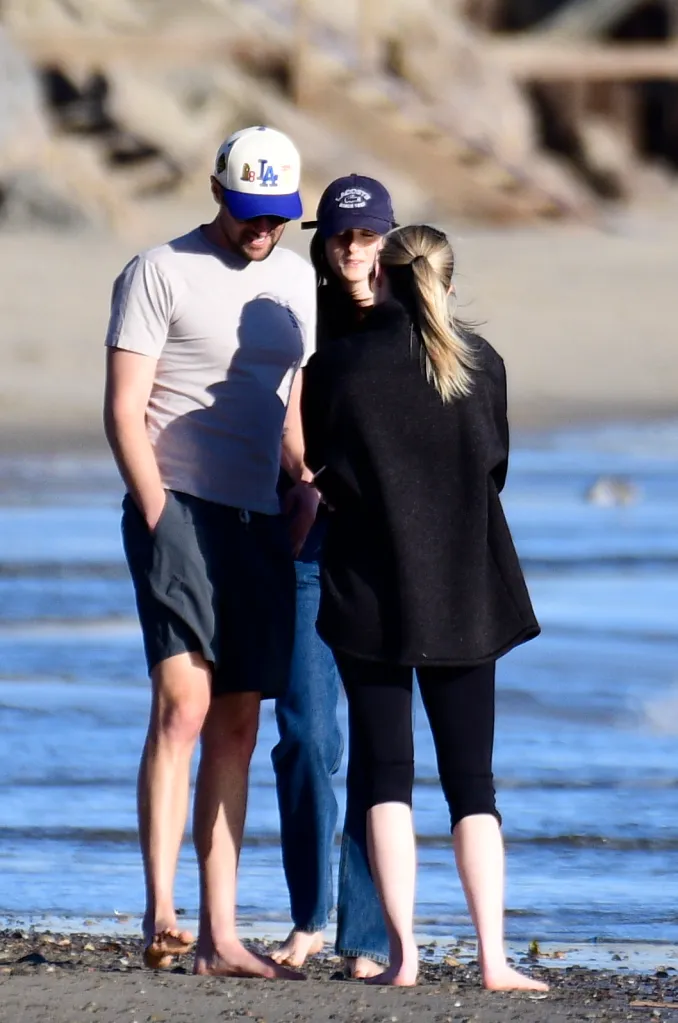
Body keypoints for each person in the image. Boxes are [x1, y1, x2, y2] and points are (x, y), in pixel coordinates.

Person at [301, 224, 550, 992]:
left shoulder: (337, 364)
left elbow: (323, 470)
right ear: (445, 279)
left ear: (385, 273)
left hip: (371, 589)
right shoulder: (486, 364)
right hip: (467, 589)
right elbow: (494, 469)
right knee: (473, 781)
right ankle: (494, 958)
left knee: (388, 777)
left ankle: (403, 957)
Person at [103, 125, 319, 979]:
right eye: (249, 210)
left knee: (238, 718)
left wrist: (301, 484)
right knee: (182, 708)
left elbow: (286, 403)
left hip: (261, 517)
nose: (262, 228)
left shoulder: (296, 281)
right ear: (217, 193)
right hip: (179, 506)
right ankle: (163, 910)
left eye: (277, 215)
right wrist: (158, 514)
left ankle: (219, 934)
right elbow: (124, 408)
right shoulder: (159, 271)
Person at [270, 176, 394, 976]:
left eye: (366, 235)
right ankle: (310, 916)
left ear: (386, 237)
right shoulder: (300, 304)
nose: (351, 248)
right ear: (323, 239)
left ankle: (369, 934)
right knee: (309, 735)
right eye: (339, 236)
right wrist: (306, 476)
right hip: (311, 541)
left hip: (388, 553)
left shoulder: (413, 317)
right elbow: (284, 400)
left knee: (382, 747)